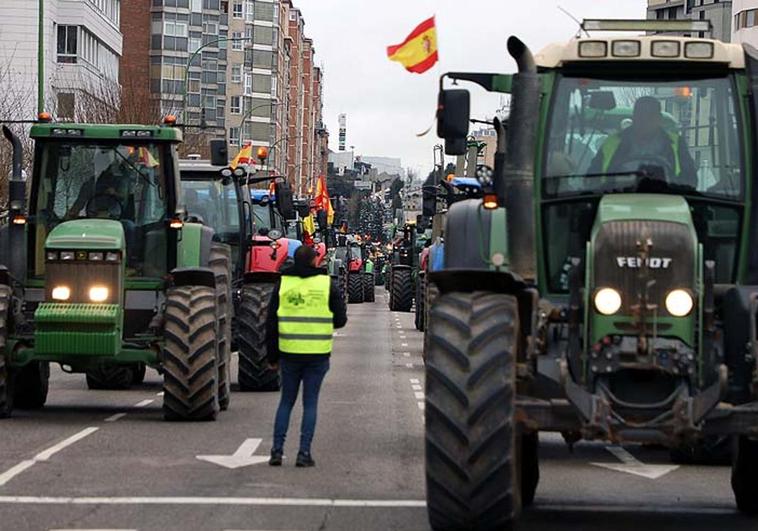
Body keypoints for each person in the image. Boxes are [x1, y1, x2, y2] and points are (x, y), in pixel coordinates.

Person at [267, 245, 347, 467]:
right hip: (317, 355)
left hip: (289, 352)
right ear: (315, 261)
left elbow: (271, 322)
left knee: (286, 402)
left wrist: (272, 356)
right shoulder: (326, 284)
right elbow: (340, 320)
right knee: (310, 403)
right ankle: (303, 453)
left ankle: (276, 450)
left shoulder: (283, 284)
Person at [588, 96, 697, 188]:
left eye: (650, 116)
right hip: (617, 200)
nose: (644, 120)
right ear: (634, 116)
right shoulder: (611, 143)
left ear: (658, 118)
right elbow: (591, 179)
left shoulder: (677, 143)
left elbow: (690, 180)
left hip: (666, 202)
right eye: (640, 115)